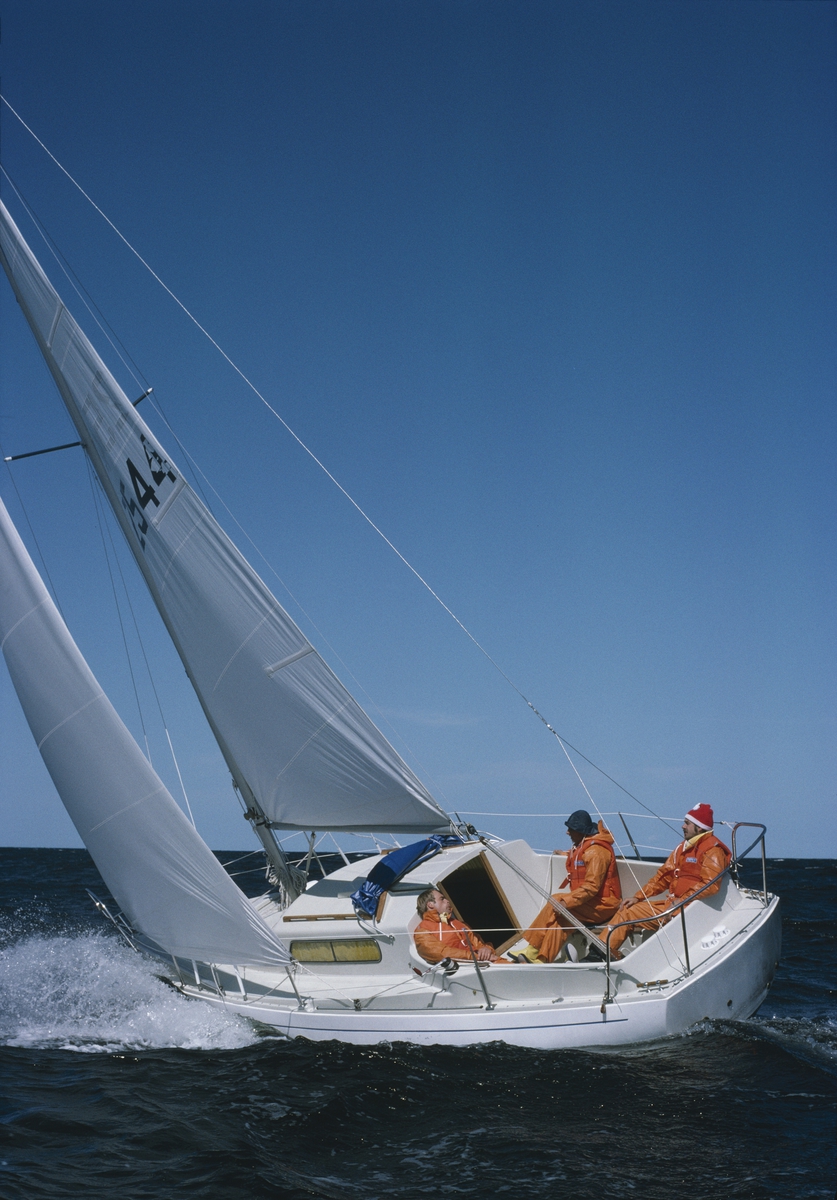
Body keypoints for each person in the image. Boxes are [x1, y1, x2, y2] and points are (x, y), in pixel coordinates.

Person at [602, 803, 731, 958]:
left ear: (699, 828)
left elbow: (710, 885)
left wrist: (679, 903)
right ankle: (600, 951)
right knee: (627, 911)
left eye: (687, 823)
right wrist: (638, 897)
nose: (683, 826)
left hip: (690, 910)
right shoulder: (682, 848)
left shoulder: (713, 851)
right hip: (672, 906)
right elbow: (662, 878)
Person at [510, 809, 622, 963]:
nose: (567, 832)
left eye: (571, 829)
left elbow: (592, 887)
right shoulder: (585, 847)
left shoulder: (596, 852)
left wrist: (566, 902)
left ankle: (532, 949)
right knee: (560, 921)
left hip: (604, 906)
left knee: (556, 900)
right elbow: (579, 857)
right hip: (588, 903)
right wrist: (564, 854)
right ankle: (542, 959)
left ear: (581, 831)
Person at [413, 889, 507, 964]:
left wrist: (487, 949)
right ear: (430, 904)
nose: (447, 901)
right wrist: (477, 957)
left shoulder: (457, 923)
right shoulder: (422, 932)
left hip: (486, 963)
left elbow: (478, 943)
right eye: (442, 899)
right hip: (467, 969)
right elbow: (442, 953)